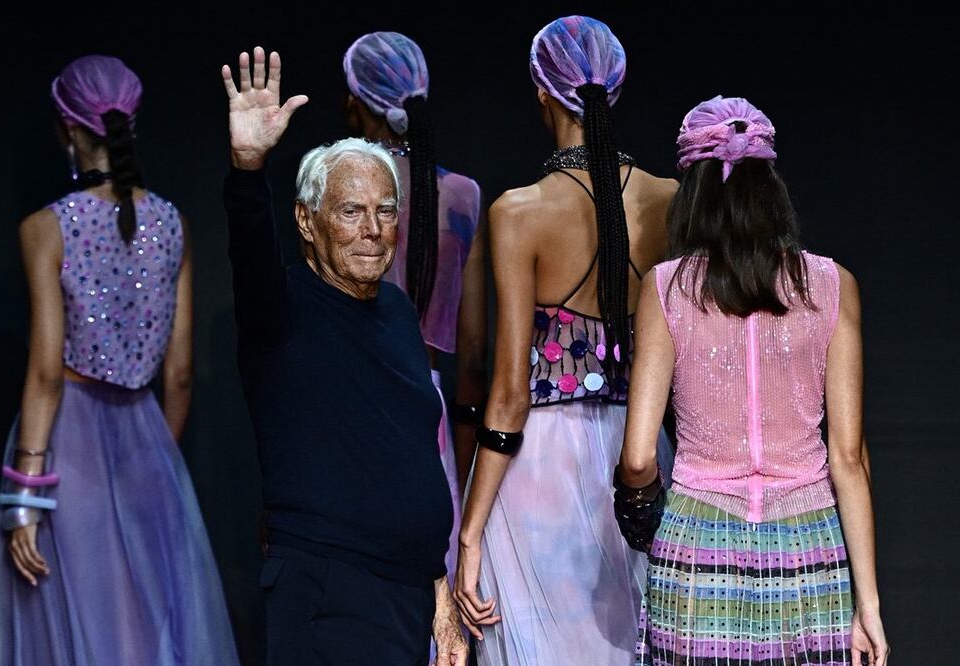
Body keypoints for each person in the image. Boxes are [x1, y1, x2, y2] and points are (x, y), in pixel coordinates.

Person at [615, 95, 890, 665]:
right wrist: (870, 605)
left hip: (696, 546)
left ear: (691, 191)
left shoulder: (666, 288)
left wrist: (639, 511)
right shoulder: (832, 285)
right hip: (809, 548)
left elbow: (639, 456)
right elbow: (849, 459)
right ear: (771, 186)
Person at [219, 46, 467, 665]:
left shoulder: (398, 312)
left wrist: (441, 601)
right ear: (307, 221)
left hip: (406, 593)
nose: (373, 229)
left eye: (386, 212)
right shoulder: (281, 306)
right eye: (351, 212)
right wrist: (248, 171)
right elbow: (250, 253)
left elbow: (413, 457)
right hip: (326, 593)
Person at [0, 55, 238, 665]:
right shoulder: (172, 223)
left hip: (64, 449)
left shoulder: (46, 228)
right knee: (146, 628)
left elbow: (47, 373)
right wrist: (156, 454)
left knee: (85, 632)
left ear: (68, 128)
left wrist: (24, 493)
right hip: (148, 441)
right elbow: (178, 376)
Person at [454, 16, 676, 665]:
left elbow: (508, 395)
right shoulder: (669, 201)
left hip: (537, 472)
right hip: (640, 456)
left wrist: (467, 535)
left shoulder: (519, 212)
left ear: (541, 92)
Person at [342, 32, 487, 591]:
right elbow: (473, 356)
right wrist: (469, 477)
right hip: (427, 418)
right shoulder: (462, 196)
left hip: (349, 402)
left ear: (356, 103)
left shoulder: (335, 198)